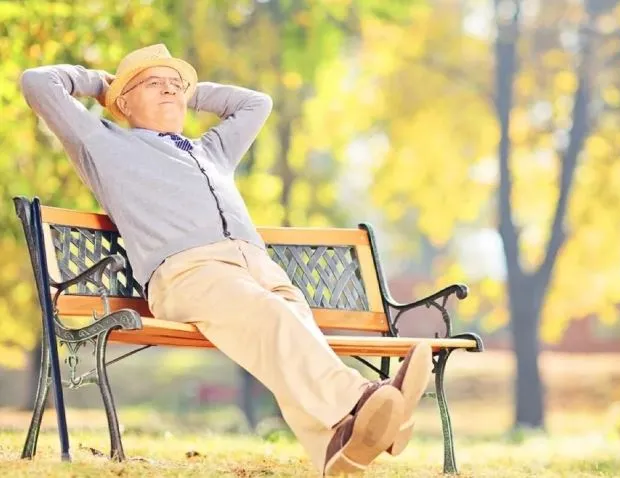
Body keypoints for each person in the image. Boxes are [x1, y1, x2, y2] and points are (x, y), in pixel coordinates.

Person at [19, 44, 432, 476]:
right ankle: (368, 401)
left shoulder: (210, 150)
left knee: (292, 329)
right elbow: (37, 83)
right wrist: (103, 84)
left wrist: (189, 91)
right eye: (153, 83)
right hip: (187, 273)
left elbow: (256, 104)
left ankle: (339, 446)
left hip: (257, 267)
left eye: (175, 85)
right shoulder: (102, 143)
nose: (170, 91)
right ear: (123, 100)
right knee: (272, 317)